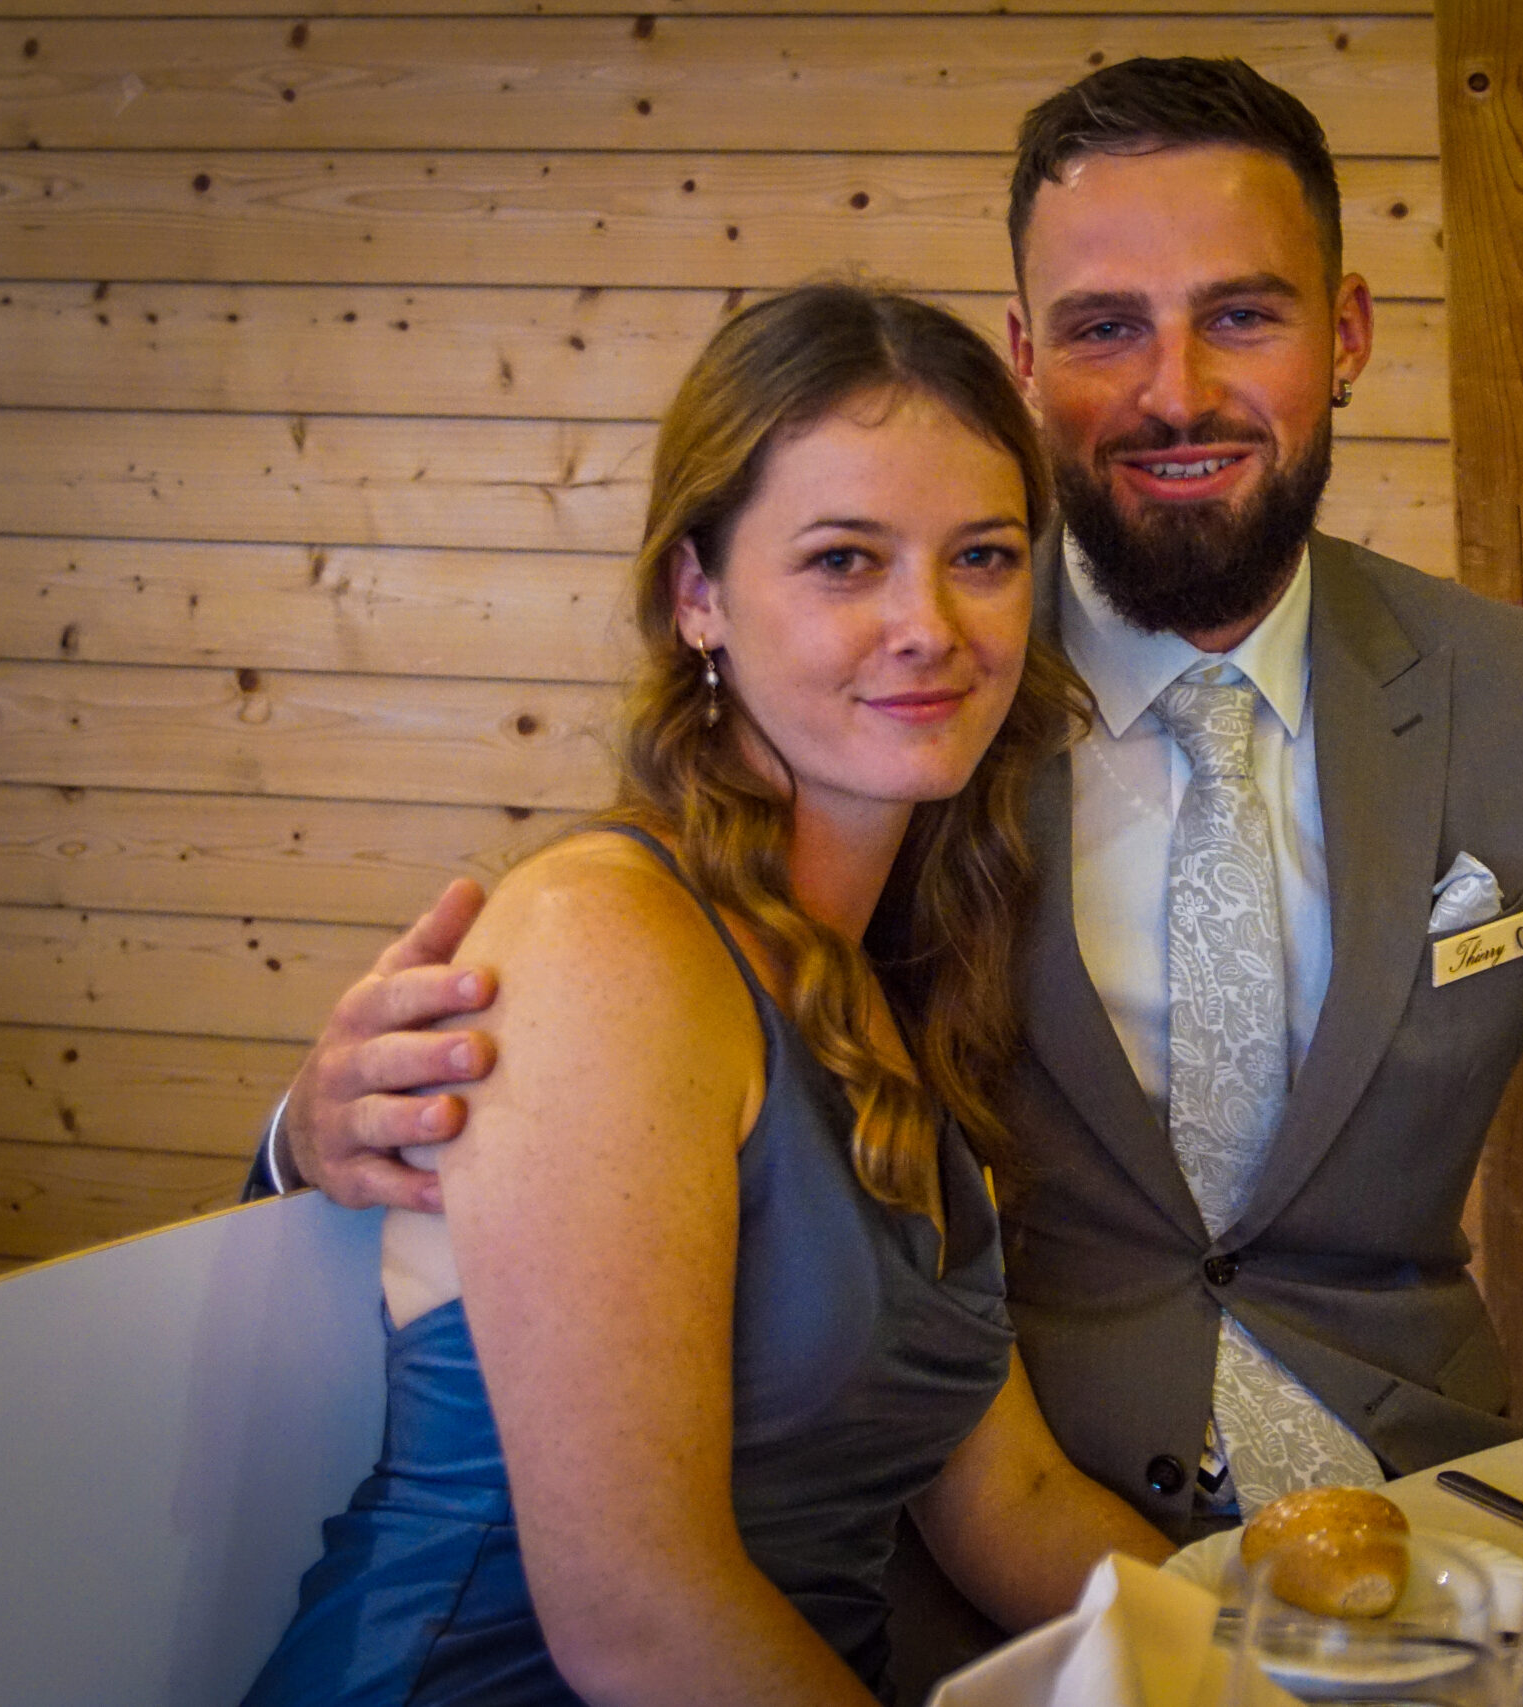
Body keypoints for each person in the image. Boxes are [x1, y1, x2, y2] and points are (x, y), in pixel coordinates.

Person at [251, 59, 1523, 1542]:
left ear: (1348, 334)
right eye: (1104, 330)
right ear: (1026, 361)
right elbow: (641, 1049)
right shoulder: (905, 701)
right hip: (992, 1548)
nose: (1175, 393)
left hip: (1412, 1517)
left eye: (1243, 316)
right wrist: (307, 1144)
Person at [242, 284, 1170, 1707]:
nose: (928, 624)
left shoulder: (881, 977)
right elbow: (636, 1615)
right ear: (698, 596)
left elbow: (1016, 1505)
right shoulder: (608, 941)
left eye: (981, 557)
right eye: (845, 560)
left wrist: (1283, 1659)